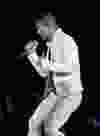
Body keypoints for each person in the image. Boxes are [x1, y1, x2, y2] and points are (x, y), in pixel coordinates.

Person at [27, 12, 83, 136]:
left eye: (39, 28)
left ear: (48, 26)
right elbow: (43, 73)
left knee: (51, 129)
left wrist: (47, 63)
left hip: (70, 95)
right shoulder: (50, 46)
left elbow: (70, 68)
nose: (37, 32)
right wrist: (32, 55)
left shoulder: (67, 41)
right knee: (33, 122)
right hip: (57, 93)